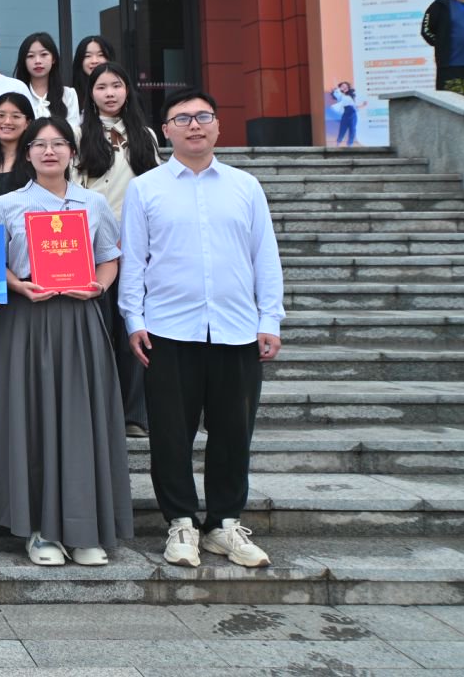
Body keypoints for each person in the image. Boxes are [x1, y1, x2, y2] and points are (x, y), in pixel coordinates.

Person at [121, 88, 285, 570]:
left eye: (203, 116)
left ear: (217, 126)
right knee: (170, 435)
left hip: (236, 330)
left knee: (233, 433)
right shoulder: (145, 188)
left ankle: (224, 524)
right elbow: (134, 261)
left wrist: (269, 318)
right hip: (168, 330)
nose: (194, 125)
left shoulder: (245, 186)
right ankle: (180, 523)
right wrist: (134, 320)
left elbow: (264, 256)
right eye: (182, 118)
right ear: (165, 131)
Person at [0, 116, 131, 567]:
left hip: (80, 320)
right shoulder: (6, 204)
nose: (49, 151)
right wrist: (17, 284)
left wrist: (98, 287)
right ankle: (39, 530)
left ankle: (85, 528)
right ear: (26, 153)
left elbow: (109, 257)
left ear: (73, 151)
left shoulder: (94, 203)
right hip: (27, 319)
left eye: (59, 143)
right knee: (31, 419)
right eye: (40, 144)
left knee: (81, 421)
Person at [75, 61, 161, 438]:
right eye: (101, 87)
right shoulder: (78, 133)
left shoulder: (145, 135)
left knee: (133, 328)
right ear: (90, 93)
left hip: (134, 245)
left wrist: (136, 237)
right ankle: (96, 412)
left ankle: (135, 415)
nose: (109, 93)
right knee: (96, 330)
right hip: (88, 245)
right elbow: (72, 188)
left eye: (116, 85)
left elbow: (156, 190)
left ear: (127, 90)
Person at [13, 32, 80, 128]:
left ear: (53, 59)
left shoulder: (68, 94)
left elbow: (73, 130)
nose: (37, 61)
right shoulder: (16, 95)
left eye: (44, 54)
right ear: (24, 61)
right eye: (31, 56)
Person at [0, 93, 34, 211]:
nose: (7, 122)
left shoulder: (36, 158)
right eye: (0, 115)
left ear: (28, 122)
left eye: (16, 116)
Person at [72, 35, 118, 101]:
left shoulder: (122, 92)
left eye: (100, 55)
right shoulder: (71, 96)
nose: (94, 61)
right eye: (88, 56)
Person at [330, 82, 363, 147]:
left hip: (353, 114)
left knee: (352, 130)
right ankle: (338, 142)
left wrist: (363, 105)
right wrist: (339, 89)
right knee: (342, 129)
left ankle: (350, 144)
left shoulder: (350, 96)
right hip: (345, 114)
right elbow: (336, 93)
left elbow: (354, 106)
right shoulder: (339, 95)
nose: (345, 87)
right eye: (343, 86)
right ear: (340, 87)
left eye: (346, 86)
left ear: (348, 88)